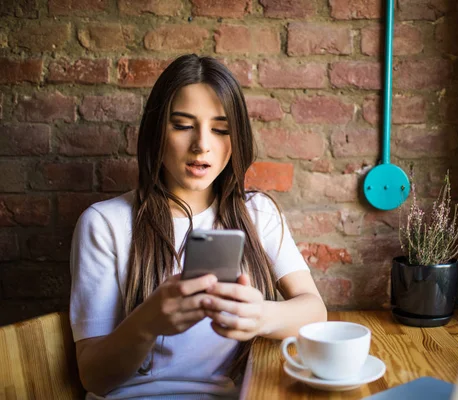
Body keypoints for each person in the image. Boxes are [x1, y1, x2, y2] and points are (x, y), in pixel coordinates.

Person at [69, 54, 328, 399]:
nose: (202, 144)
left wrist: (261, 316)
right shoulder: (104, 224)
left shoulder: (258, 213)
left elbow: (315, 311)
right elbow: (94, 377)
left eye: (220, 129)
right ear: (156, 131)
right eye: (183, 125)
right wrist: (147, 322)